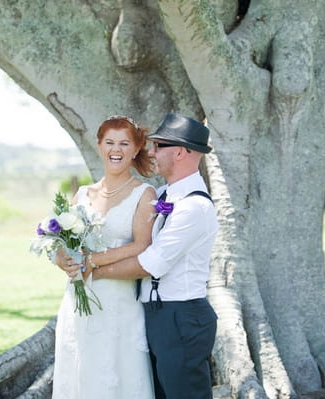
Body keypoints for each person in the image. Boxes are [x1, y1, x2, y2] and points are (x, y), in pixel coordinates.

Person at [89, 112, 219, 398]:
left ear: (182, 152)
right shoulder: (162, 195)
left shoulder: (193, 207)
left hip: (182, 315)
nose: (151, 152)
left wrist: (91, 270)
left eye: (159, 146)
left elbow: (150, 263)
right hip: (157, 314)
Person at [53, 115, 158, 398]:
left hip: (118, 301)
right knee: (79, 371)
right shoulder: (83, 193)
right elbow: (64, 244)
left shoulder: (144, 194)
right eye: (110, 142)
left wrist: (93, 262)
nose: (117, 149)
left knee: (115, 373)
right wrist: (61, 259)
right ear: (99, 146)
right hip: (78, 298)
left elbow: (142, 246)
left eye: (124, 143)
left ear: (136, 149)